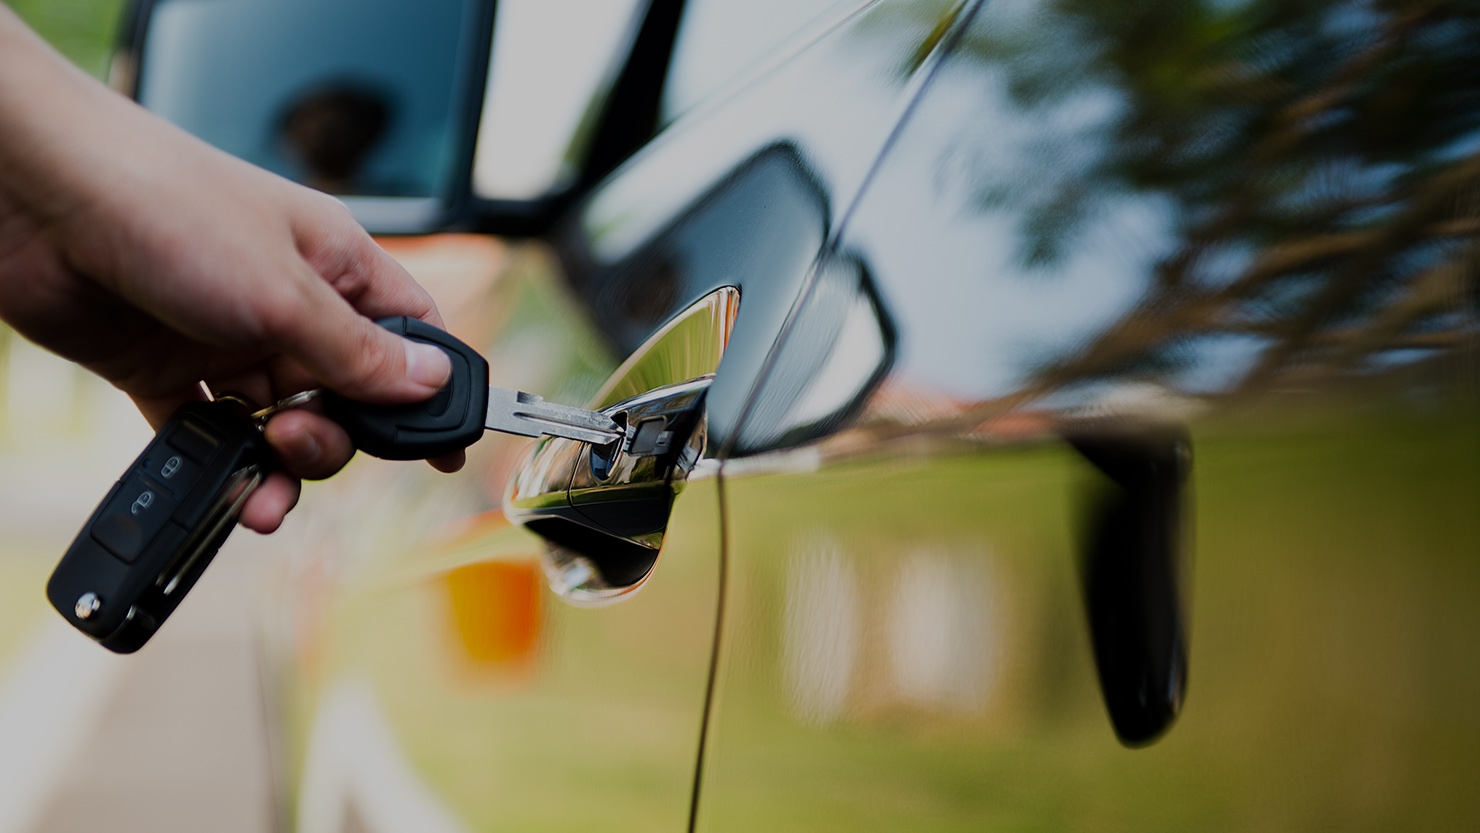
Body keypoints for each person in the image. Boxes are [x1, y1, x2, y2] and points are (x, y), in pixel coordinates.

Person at [0, 6, 461, 534]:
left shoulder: (407, 196)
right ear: (287, 138)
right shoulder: (238, 215)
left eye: (341, 121)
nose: (326, 133)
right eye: (311, 121)